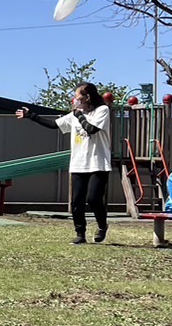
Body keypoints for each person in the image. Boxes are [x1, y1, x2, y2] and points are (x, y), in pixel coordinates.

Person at [16, 83, 112, 243]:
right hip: (78, 162)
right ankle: (80, 233)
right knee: (76, 201)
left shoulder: (102, 110)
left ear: (87, 97)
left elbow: (91, 129)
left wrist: (78, 114)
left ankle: (102, 226)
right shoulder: (75, 114)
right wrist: (30, 115)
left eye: (78, 97)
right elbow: (54, 124)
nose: (75, 100)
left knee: (94, 199)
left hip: (98, 162)